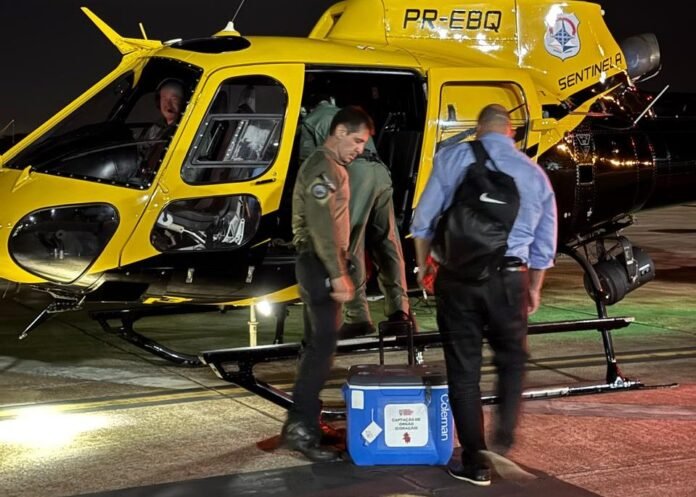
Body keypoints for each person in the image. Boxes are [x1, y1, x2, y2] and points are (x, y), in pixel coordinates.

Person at [410, 104, 557, 486]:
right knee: (512, 360)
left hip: (458, 279)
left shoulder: (453, 158)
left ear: (478, 129)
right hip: (510, 279)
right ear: (511, 132)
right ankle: (502, 440)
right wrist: (534, 287)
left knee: (464, 371)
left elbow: (422, 221)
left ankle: (475, 462)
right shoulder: (533, 173)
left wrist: (425, 266)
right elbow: (545, 245)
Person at [280, 106, 374, 462]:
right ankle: (301, 429)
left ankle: (305, 423)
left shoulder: (332, 168)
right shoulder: (323, 167)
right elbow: (321, 224)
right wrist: (337, 272)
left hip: (318, 262)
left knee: (317, 347)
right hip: (318, 263)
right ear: (339, 132)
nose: (360, 149)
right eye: (357, 141)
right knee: (321, 350)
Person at [299, 96, 412, 339]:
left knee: (351, 243)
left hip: (354, 174)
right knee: (388, 242)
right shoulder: (347, 116)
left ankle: (357, 316)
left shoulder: (309, 121)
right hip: (379, 172)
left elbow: (308, 161)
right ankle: (400, 311)